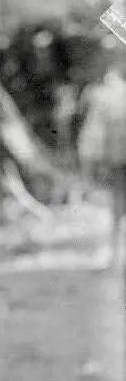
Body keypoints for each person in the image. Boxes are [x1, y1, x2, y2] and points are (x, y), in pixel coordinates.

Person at [77, 53, 126, 268]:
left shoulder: (103, 94)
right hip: (115, 156)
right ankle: (114, 253)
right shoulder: (110, 95)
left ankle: (114, 253)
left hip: (112, 156)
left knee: (115, 204)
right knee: (115, 204)